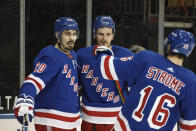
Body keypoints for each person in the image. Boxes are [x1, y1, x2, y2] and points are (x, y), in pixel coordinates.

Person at [97, 29, 196, 130]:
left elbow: (108, 69)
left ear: (169, 46)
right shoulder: (191, 81)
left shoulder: (147, 58)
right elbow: (189, 126)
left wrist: (102, 53)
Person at [14, 17, 80, 131]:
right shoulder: (51, 56)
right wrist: (26, 98)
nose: (72, 38)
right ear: (58, 35)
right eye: (67, 34)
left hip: (69, 122)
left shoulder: (72, 54)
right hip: (52, 121)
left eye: (74, 34)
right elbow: (34, 80)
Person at [76, 15, 134, 131]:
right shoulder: (82, 55)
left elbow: (132, 88)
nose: (104, 38)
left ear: (113, 35)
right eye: (100, 34)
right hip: (90, 119)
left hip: (118, 120)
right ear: (94, 34)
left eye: (108, 34)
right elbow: (76, 86)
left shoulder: (125, 55)